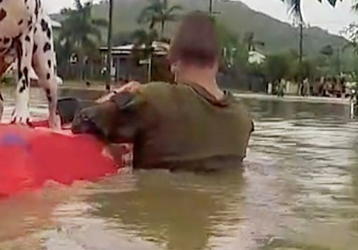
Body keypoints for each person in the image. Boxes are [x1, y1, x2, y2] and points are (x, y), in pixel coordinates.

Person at [70, 11, 254, 172]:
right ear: (217, 62)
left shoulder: (151, 99)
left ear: (174, 62)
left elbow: (84, 121)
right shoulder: (243, 120)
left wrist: (118, 95)